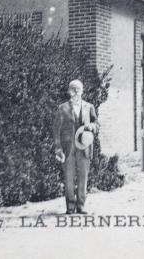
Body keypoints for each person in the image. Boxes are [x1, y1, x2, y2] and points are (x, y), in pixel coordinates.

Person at [53, 79, 99, 214]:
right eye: (73, 89)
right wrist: (58, 148)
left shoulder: (89, 106)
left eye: (78, 89)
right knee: (68, 177)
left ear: (82, 91)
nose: (76, 92)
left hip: (84, 146)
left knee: (83, 176)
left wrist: (92, 126)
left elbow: (97, 124)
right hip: (68, 148)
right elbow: (56, 130)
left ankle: (81, 205)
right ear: (69, 92)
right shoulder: (62, 108)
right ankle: (70, 206)